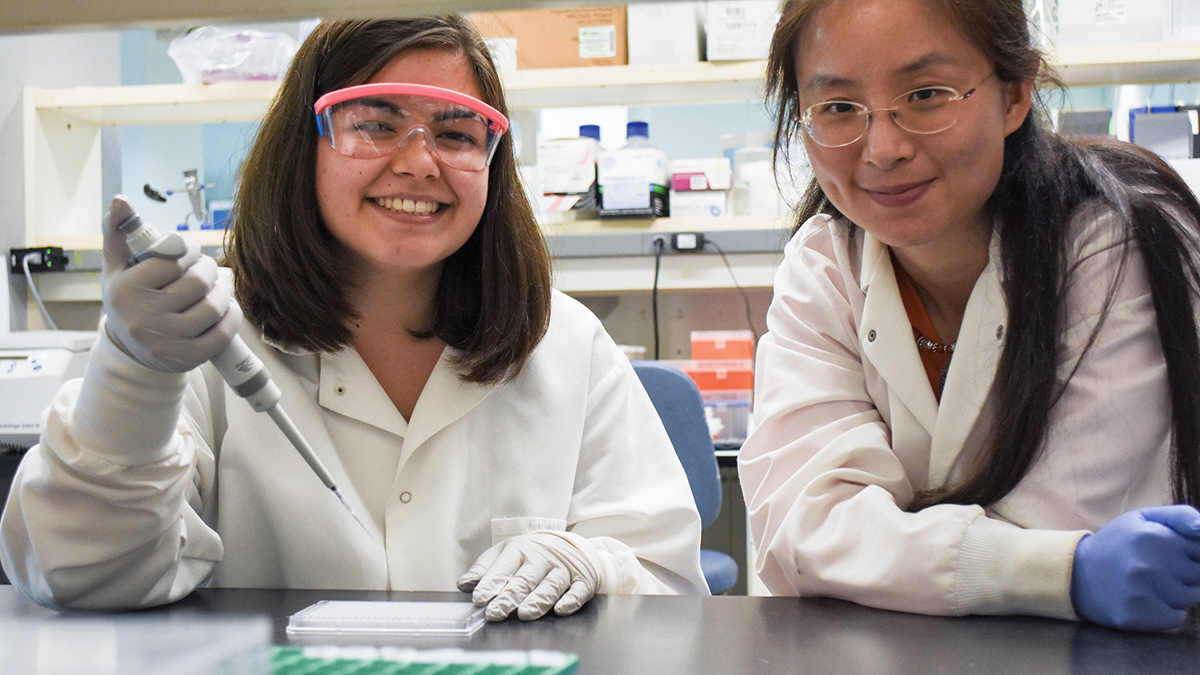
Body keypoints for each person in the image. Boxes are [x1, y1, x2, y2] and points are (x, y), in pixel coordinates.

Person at [0, 16, 708, 619]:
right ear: (302, 146)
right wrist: (134, 375)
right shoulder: (201, 339)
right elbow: (78, 576)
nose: (419, 162)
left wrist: (590, 563)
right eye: (375, 124)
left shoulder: (566, 344)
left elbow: (675, 584)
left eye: (458, 135)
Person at [739, 0, 1200, 631]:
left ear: (1014, 94)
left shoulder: (1112, 243)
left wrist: (889, 551)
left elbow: (1061, 524)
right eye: (839, 108)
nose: (883, 148)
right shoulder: (823, 264)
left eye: (926, 94)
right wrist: (1051, 570)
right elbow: (800, 534)